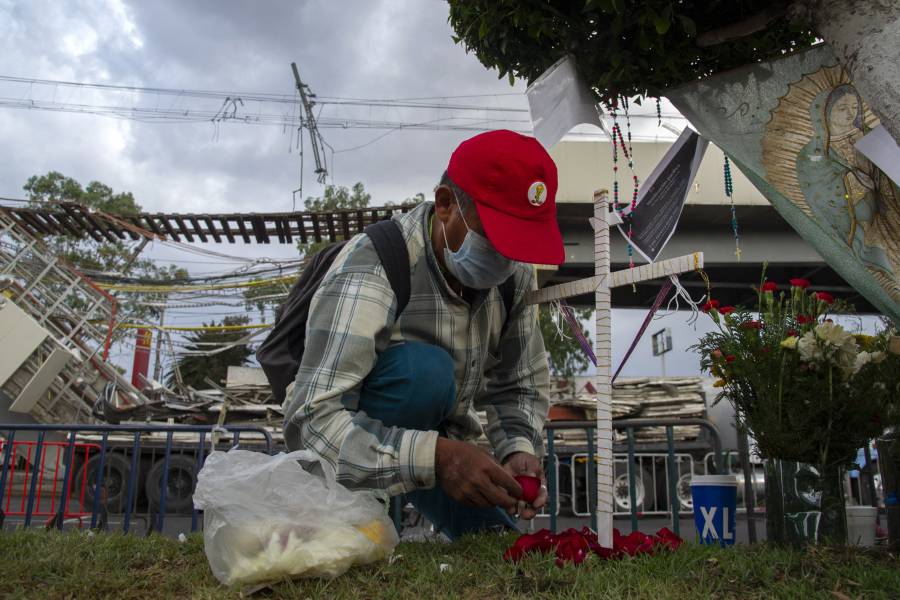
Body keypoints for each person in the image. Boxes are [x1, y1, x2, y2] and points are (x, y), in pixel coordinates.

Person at [283, 129, 565, 539]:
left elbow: (517, 382)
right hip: (347, 446)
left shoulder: (513, 278)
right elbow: (314, 420)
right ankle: (354, 510)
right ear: (447, 205)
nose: (506, 262)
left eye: (517, 248)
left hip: (445, 443)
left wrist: (517, 449)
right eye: (495, 240)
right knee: (424, 373)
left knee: (494, 542)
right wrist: (437, 459)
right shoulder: (375, 264)